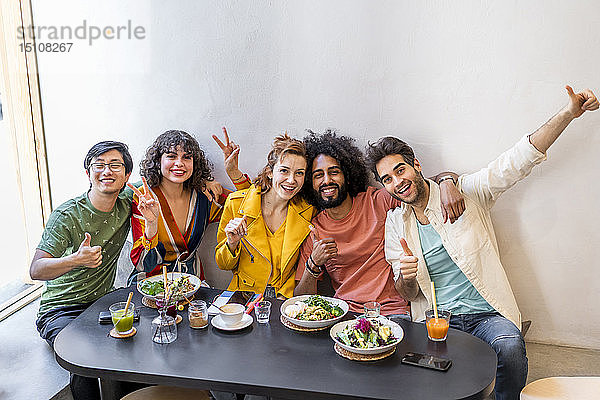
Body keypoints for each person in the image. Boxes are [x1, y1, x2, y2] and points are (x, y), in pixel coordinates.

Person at [367, 85, 598, 400]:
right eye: (387, 179)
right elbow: (408, 292)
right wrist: (404, 275)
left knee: (511, 346)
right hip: (438, 320)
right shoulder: (396, 224)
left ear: (416, 165)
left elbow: (517, 161)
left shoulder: (465, 192)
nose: (397, 182)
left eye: (400, 169)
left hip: (487, 315)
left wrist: (569, 113)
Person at [294, 130, 464, 318]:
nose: (327, 180)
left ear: (347, 176)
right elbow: (300, 300)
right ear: (311, 183)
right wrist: (313, 263)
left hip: (393, 313)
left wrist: (447, 182)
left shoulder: (378, 201)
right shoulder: (315, 229)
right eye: (318, 175)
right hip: (345, 315)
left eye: (334, 172)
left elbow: (423, 187)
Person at [31, 141, 144, 400]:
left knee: (136, 346)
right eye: (99, 165)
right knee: (83, 361)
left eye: (116, 165)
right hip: (60, 309)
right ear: (88, 173)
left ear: (127, 176)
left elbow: (163, 178)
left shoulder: (128, 198)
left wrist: (207, 183)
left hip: (101, 304)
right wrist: (75, 260)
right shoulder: (67, 215)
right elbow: (36, 269)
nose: (107, 171)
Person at [128, 130, 239, 283]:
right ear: (158, 160)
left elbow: (248, 206)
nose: (179, 163)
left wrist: (233, 171)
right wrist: (151, 225)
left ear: (195, 163)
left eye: (187, 157)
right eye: (171, 156)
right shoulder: (144, 197)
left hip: (192, 284)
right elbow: (143, 264)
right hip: (150, 286)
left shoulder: (204, 196)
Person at [215, 133, 314, 299]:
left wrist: (284, 298)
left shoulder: (308, 211)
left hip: (284, 301)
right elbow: (223, 264)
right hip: (243, 298)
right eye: (284, 170)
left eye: (299, 173)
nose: (291, 180)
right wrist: (232, 243)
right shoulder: (236, 203)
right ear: (269, 172)